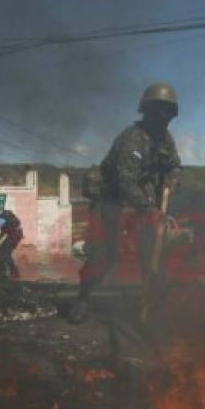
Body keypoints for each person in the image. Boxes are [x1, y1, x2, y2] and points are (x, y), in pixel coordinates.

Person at [69, 82, 181, 324]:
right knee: (103, 256)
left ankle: (151, 307)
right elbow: (125, 180)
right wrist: (148, 209)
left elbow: (174, 165)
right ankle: (83, 299)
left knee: (151, 252)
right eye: (158, 110)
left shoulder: (165, 139)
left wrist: (172, 180)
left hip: (141, 204)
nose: (163, 116)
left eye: (167, 111)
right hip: (112, 201)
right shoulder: (132, 138)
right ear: (147, 110)